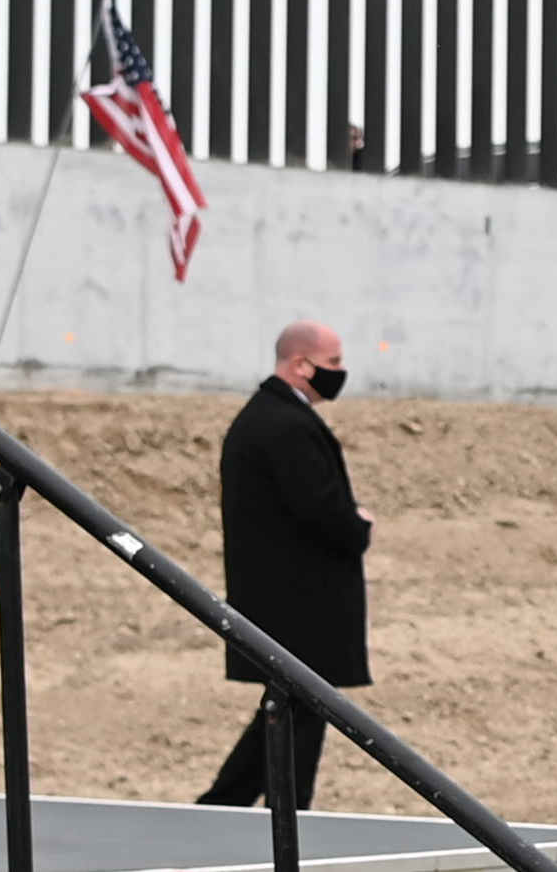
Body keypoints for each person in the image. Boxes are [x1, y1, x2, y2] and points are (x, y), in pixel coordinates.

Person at [198, 318, 371, 811]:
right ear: (301, 364)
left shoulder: (267, 418)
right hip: (300, 612)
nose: (340, 372)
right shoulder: (286, 425)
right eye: (333, 362)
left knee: (287, 718)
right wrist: (357, 524)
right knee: (297, 720)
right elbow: (320, 512)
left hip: (284, 607)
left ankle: (226, 810)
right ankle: (273, 823)